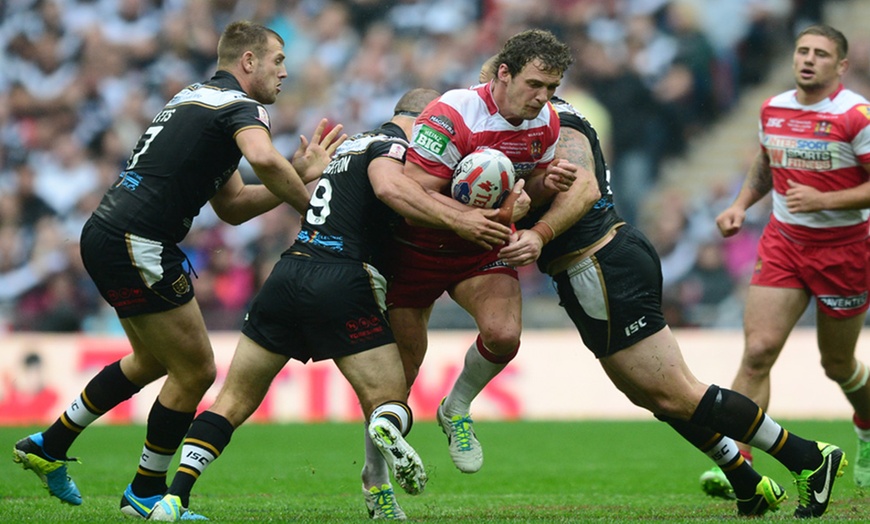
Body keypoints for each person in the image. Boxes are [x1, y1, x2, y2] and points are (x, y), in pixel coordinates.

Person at [485, 56, 849, 517]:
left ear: (509, 78)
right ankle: (745, 480)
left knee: (675, 391)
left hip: (600, 263)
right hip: (590, 268)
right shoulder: (522, 134)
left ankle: (808, 456)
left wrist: (534, 230)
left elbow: (584, 188)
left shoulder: (559, 119)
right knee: (652, 393)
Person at [12, 20, 345, 516]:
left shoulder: (195, 100)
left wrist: (295, 172)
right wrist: (315, 215)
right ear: (247, 61)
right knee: (196, 371)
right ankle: (144, 492)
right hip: (137, 241)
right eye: (278, 60)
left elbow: (231, 205)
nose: (285, 72)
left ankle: (51, 443)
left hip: (108, 234)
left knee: (150, 361)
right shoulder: (242, 106)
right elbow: (265, 161)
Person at [145, 88, 514, 521]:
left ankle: (174, 497)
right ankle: (384, 435)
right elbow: (390, 189)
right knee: (390, 399)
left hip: (289, 271)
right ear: (426, 120)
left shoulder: (352, 146)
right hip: (344, 279)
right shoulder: (392, 148)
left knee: (231, 401)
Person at [375, 30, 575, 493]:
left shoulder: (545, 122)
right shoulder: (452, 113)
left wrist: (549, 182)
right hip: (416, 250)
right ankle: (377, 481)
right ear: (503, 74)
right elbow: (413, 195)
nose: (543, 99)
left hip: (478, 250)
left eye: (552, 89)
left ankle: (456, 407)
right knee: (397, 380)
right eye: (534, 86)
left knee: (504, 335)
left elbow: (529, 183)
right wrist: (486, 215)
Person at [699, 23, 870, 497]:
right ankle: (739, 462)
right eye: (802, 51)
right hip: (785, 244)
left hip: (844, 250)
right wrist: (740, 204)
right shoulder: (774, 108)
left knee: (837, 363)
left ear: (841, 66)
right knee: (757, 352)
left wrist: (826, 201)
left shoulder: (856, 116)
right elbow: (766, 162)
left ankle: (867, 425)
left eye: (819, 53)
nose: (808, 59)